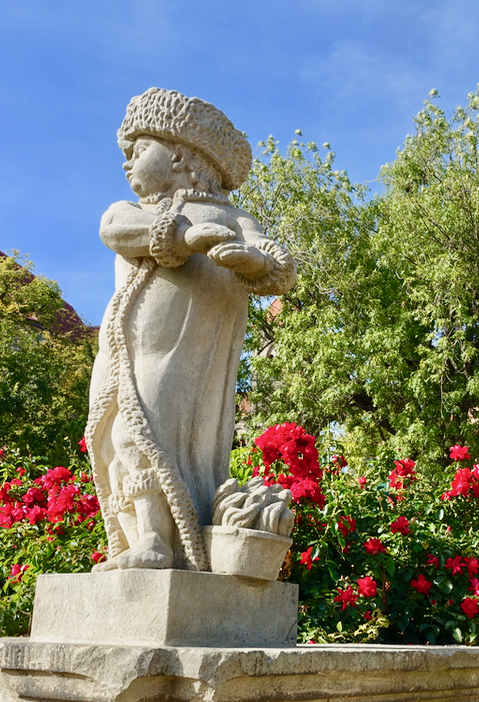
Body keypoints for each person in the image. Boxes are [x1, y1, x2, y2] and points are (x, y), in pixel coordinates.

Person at [85, 88, 297, 571]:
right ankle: (145, 538)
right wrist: (182, 236)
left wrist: (254, 261)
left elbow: (280, 268)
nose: (126, 164)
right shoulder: (134, 211)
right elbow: (114, 230)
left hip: (183, 357)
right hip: (125, 355)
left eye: (138, 150)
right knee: (120, 437)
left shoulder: (234, 218)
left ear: (179, 154)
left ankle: (160, 542)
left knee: (148, 437)